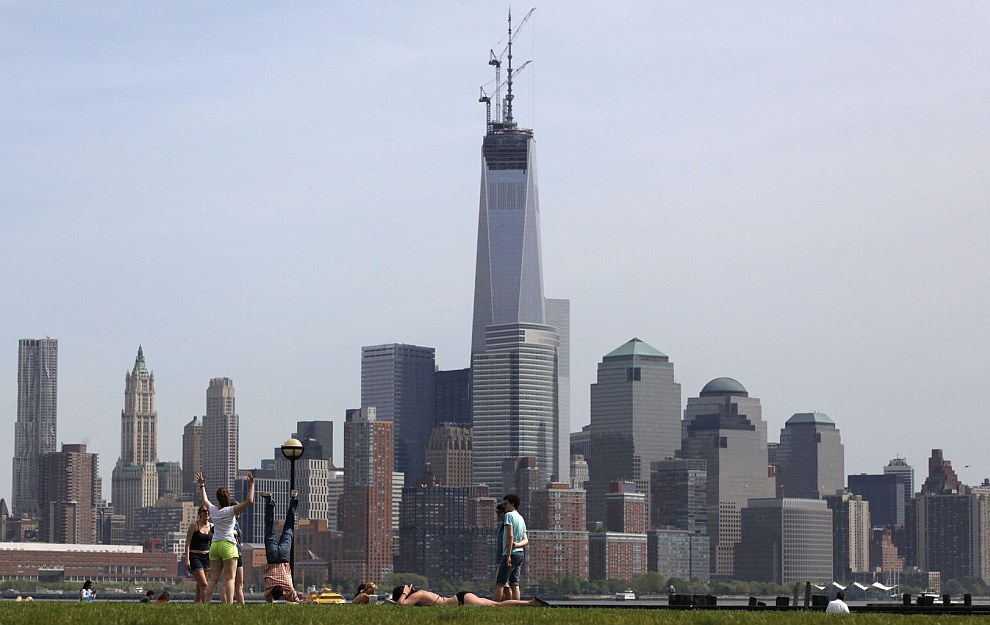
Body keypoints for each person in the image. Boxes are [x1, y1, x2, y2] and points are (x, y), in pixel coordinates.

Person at [197, 471, 255, 604]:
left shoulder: (213, 511)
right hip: (228, 545)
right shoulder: (231, 510)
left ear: (217, 499)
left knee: (213, 580)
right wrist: (252, 483)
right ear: (228, 498)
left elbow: (204, 500)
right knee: (230, 579)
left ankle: (205, 604)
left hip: (215, 545)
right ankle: (229, 606)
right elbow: (249, 501)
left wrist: (202, 485)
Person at [261, 489, 302, 602]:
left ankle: (293, 499)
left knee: (289, 527)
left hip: (284, 557)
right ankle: (269, 502)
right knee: (269, 528)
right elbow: (268, 598)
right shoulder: (269, 586)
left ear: (283, 592)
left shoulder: (288, 587)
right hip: (272, 557)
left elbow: (296, 600)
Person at [390, 584, 548, 607]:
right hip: (461, 599)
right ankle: (530, 603)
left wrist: (404, 592)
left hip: (460, 600)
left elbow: (401, 606)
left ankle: (530, 603)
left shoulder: (418, 594)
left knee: (496, 606)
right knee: (496, 605)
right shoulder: (419, 595)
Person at [493, 502, 529, 601]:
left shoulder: (507, 525)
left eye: (499, 513)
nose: (498, 516)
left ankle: (495, 605)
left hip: (508, 555)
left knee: (500, 583)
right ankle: (514, 605)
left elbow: (507, 540)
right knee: (513, 583)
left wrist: (503, 559)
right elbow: (525, 539)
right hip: (519, 554)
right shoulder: (520, 520)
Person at [185, 504, 213, 603]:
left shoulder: (211, 526)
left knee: (199, 586)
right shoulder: (194, 525)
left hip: (207, 557)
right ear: (199, 513)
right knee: (204, 585)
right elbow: (188, 542)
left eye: (208, 511)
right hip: (195, 557)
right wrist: (187, 559)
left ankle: (196, 607)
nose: (206, 513)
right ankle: (206, 607)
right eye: (204, 511)